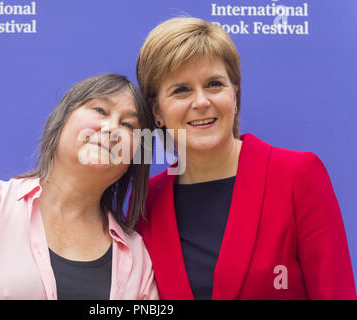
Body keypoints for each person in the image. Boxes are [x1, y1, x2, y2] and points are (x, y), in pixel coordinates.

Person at [135, 17, 356, 299]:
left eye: (214, 84)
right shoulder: (146, 203)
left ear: (235, 95)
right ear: (156, 111)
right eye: (181, 90)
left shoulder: (297, 175)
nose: (201, 102)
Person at [0, 73, 159, 300]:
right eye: (99, 110)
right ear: (61, 120)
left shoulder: (138, 255)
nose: (111, 129)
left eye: (128, 125)